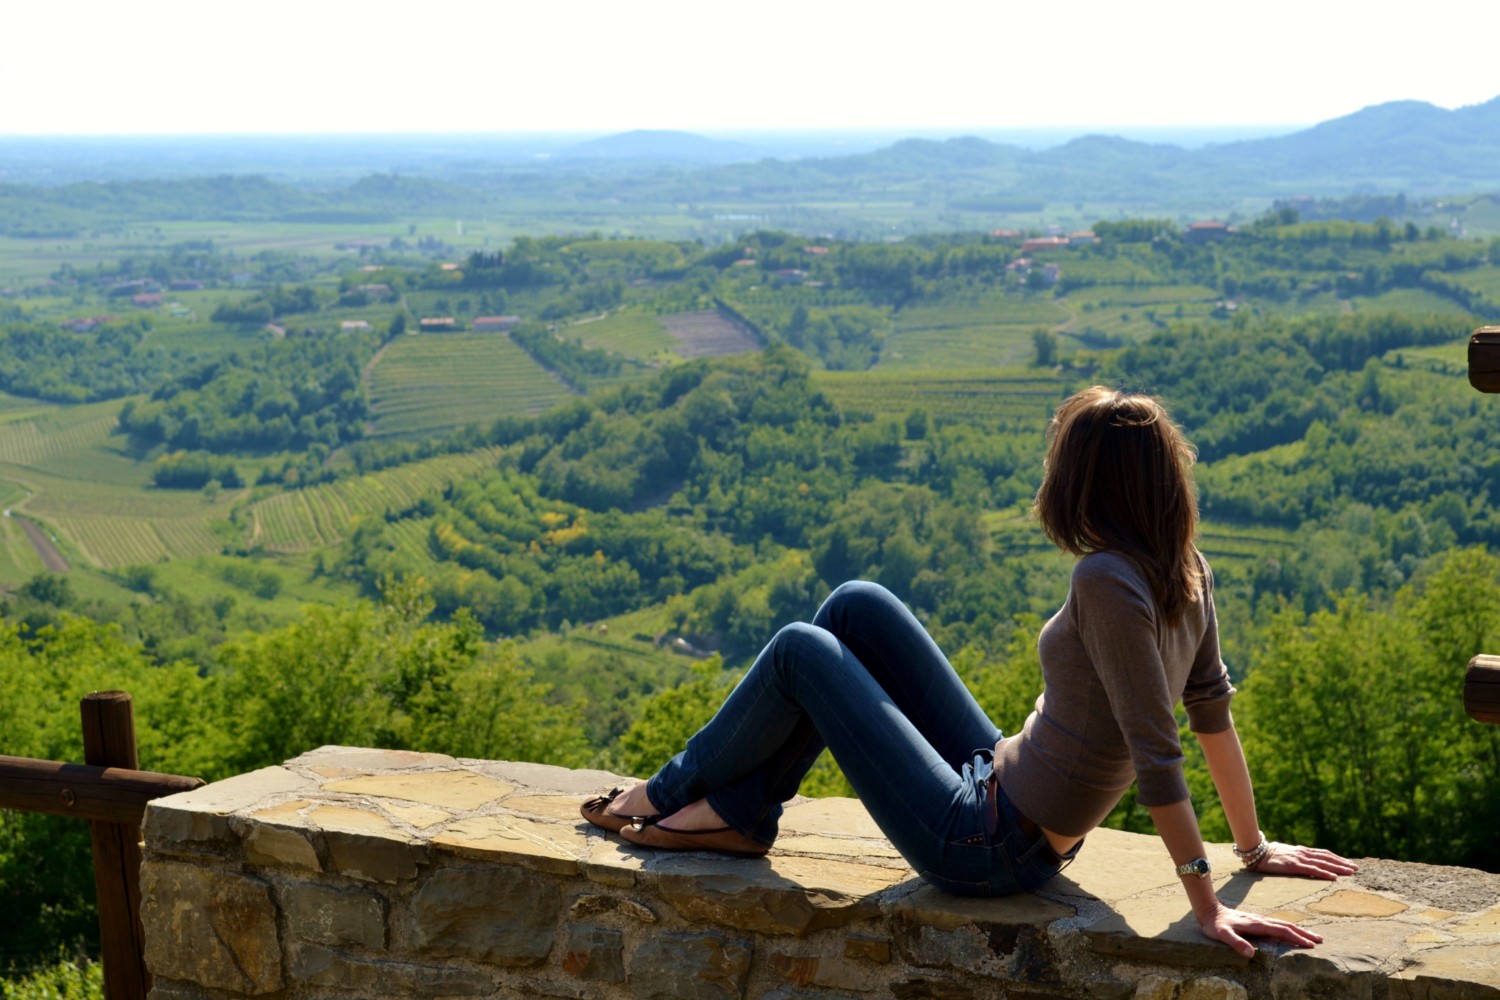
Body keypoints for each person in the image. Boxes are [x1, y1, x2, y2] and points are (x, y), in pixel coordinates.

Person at [582, 385, 1357, 957]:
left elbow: (1162, 750)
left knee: (799, 648)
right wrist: (1251, 850)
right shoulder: (1185, 568)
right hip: (999, 785)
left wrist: (1206, 905)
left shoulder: (1107, 581)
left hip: (985, 845)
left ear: (1085, 483)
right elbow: (1213, 711)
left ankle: (666, 794)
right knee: (856, 605)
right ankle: (742, 808)